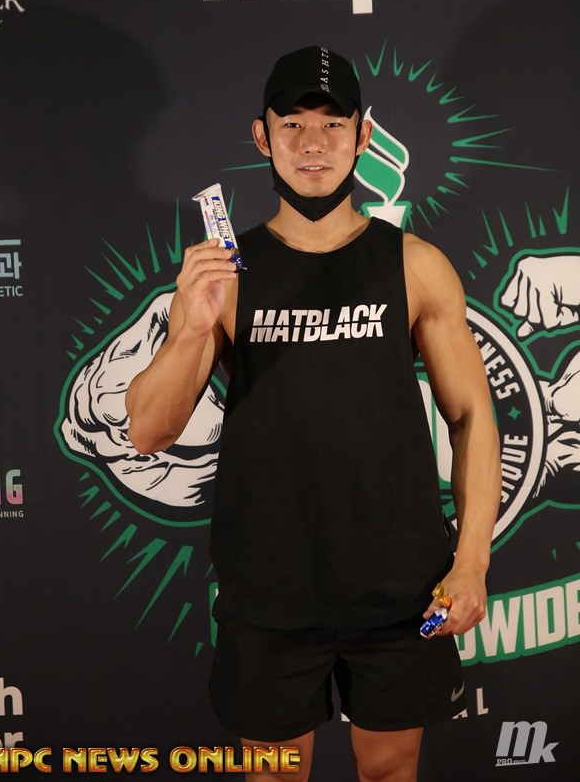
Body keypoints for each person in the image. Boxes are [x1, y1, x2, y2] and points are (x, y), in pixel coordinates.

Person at [126, 46, 502, 782]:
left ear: (364, 136)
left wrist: (471, 562)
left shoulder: (415, 264)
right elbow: (147, 431)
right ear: (262, 137)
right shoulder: (224, 276)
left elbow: (471, 417)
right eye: (292, 123)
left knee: (390, 770)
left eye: (333, 124)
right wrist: (192, 329)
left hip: (402, 590)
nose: (312, 144)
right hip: (268, 591)